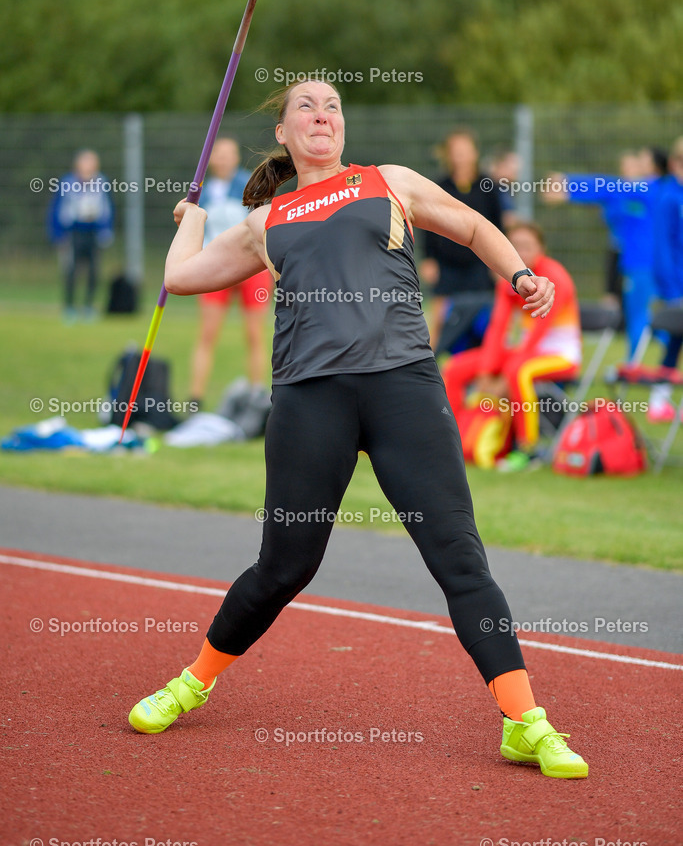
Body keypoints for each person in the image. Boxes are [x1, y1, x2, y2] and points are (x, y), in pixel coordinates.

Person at [128, 80, 588, 780]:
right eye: (306, 107)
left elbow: (472, 227)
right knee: (283, 567)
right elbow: (183, 276)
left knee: (460, 559)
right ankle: (193, 682)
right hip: (311, 400)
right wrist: (190, 216)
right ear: (283, 133)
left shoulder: (388, 181)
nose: (323, 115)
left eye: (333, 107)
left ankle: (526, 723)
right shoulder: (265, 220)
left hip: (404, 390)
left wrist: (520, 274)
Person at [442, 221, 581, 471]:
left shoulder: (554, 277)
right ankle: (450, 440)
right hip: (523, 352)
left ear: (541, 249)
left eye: (527, 246)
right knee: (455, 367)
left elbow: (537, 334)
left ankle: (528, 450)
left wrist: (502, 378)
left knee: (518, 371)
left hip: (560, 355)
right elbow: (498, 328)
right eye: (515, 246)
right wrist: (485, 371)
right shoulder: (509, 278)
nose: (521, 252)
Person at [544, 149, 666, 360]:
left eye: (642, 160)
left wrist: (568, 183)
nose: (637, 164)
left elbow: (609, 187)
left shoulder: (652, 188)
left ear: (655, 166)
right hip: (636, 262)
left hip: (643, 264)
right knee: (647, 316)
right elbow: (608, 196)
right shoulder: (642, 193)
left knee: (641, 316)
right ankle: (647, 366)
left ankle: (634, 367)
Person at [188, 138, 272, 408]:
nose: (224, 159)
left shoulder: (250, 185)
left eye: (229, 154)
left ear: (236, 158)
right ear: (211, 159)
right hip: (216, 267)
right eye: (219, 154)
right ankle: (195, 399)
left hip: (251, 268)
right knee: (207, 333)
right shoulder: (201, 191)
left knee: (254, 334)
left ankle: (257, 396)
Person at [420, 129, 503, 355]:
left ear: (475, 153)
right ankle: (431, 365)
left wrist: (498, 263)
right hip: (447, 265)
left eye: (465, 151)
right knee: (440, 321)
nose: (461, 156)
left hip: (480, 264)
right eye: (456, 151)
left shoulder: (488, 186)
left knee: (484, 319)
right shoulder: (439, 186)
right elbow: (427, 223)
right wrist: (429, 259)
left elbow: (497, 226)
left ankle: (482, 366)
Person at [47, 149, 114, 323]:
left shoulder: (101, 182)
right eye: (86, 162)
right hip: (73, 233)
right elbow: (56, 208)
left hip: (93, 233)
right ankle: (69, 308)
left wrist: (106, 230)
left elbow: (107, 209)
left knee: (94, 271)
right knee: (70, 271)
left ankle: (88, 307)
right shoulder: (67, 182)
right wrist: (57, 233)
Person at [649, 138, 683, 421]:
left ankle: (661, 400)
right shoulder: (669, 197)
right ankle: (659, 400)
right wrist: (671, 291)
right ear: (674, 163)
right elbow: (662, 248)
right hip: (677, 287)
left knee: (675, 342)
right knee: (673, 340)